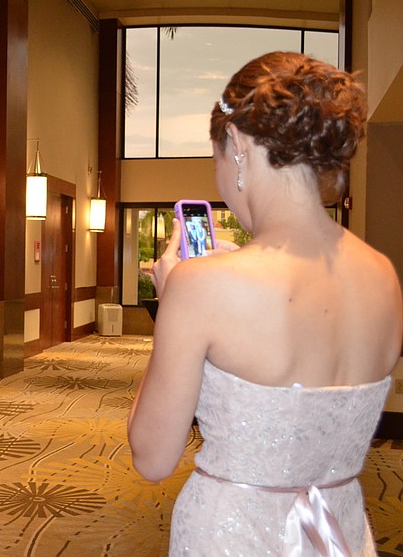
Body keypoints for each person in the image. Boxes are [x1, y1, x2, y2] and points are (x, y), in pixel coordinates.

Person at [128, 51, 403, 556]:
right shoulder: (384, 276)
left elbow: (151, 457)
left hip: (234, 534)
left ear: (236, 144)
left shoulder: (200, 284)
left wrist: (174, 306)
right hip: (338, 528)